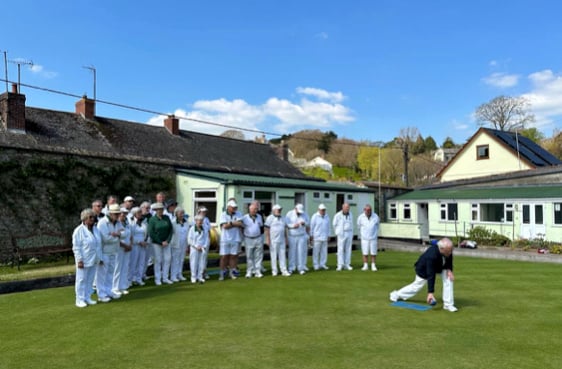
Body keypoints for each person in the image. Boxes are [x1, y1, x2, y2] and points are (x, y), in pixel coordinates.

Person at [389, 238, 458, 312]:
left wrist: (449, 270)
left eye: (451, 250)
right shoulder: (431, 255)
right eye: (449, 250)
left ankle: (448, 305)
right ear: (442, 248)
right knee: (416, 287)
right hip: (424, 269)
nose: (450, 252)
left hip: (439, 266)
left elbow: (449, 258)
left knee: (449, 279)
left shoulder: (447, 250)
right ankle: (396, 295)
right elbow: (431, 275)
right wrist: (430, 293)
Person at [72, 208, 103, 308]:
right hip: (83, 260)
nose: (92, 219)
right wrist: (79, 260)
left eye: (93, 217)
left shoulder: (96, 229)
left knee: (90, 279)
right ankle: (79, 299)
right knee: (81, 280)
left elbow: (99, 245)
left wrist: (100, 257)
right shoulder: (78, 231)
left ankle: (87, 297)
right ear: (84, 219)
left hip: (94, 258)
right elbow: (76, 247)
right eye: (90, 217)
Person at [96, 203, 125, 302]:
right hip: (104, 252)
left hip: (114, 251)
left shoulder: (118, 222)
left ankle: (109, 291)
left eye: (118, 214)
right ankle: (101, 295)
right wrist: (118, 236)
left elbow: (125, 234)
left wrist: (116, 234)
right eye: (116, 214)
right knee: (102, 274)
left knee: (110, 273)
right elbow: (106, 238)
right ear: (110, 213)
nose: (117, 216)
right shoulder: (102, 223)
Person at [148, 202, 174, 285]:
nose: (160, 211)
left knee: (167, 259)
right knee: (158, 260)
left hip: (167, 242)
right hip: (157, 243)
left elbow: (171, 230)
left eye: (162, 209)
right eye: (159, 209)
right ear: (156, 210)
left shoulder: (166, 217)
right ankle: (158, 279)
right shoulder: (152, 219)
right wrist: (160, 241)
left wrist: (168, 240)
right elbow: (151, 233)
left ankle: (165, 277)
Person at [218, 200, 243, 280]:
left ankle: (231, 273)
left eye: (235, 207)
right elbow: (224, 226)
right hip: (225, 239)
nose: (235, 208)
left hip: (235, 238)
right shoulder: (223, 214)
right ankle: (222, 274)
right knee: (224, 256)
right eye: (233, 207)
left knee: (233, 256)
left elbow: (240, 223)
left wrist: (230, 223)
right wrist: (233, 223)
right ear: (228, 207)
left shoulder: (239, 213)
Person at [264, 204, 290, 277]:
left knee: (282, 255)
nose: (280, 211)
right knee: (274, 256)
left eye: (280, 210)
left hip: (281, 239)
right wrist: (267, 239)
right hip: (273, 240)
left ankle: (284, 270)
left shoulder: (283, 218)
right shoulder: (270, 218)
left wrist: (286, 239)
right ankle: (274, 271)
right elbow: (266, 229)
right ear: (274, 210)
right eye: (278, 209)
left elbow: (284, 229)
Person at [286, 203, 310, 275]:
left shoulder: (304, 214)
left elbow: (308, 223)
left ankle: (301, 268)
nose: (299, 213)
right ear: (295, 208)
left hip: (301, 235)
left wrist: (304, 223)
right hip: (292, 236)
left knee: (301, 252)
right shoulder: (289, 214)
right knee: (292, 252)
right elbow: (287, 224)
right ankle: (291, 268)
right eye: (298, 211)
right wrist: (293, 226)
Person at [242, 202, 264, 278]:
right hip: (248, 238)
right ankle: (249, 271)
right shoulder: (244, 218)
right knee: (249, 256)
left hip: (258, 238)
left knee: (258, 255)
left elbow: (261, 226)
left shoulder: (259, 217)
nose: (255, 211)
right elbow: (242, 228)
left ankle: (258, 271)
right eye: (254, 209)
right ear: (250, 209)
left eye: (256, 209)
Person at [114, 207, 133, 296]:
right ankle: (115, 287)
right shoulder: (116, 224)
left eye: (125, 213)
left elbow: (130, 235)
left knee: (125, 267)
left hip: (127, 248)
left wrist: (130, 245)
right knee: (117, 268)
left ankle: (123, 286)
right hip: (119, 248)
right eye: (121, 213)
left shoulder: (127, 223)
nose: (123, 215)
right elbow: (116, 238)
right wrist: (125, 246)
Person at [356, 204, 380, 271]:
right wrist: (362, 235)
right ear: (364, 210)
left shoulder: (375, 216)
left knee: (373, 252)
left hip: (373, 237)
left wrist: (375, 234)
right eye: (367, 210)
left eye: (369, 210)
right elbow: (358, 226)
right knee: (365, 252)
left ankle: (373, 265)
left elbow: (378, 226)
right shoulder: (360, 217)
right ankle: (365, 265)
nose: (368, 211)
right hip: (364, 238)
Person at [128, 206, 148, 286]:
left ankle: (138, 278)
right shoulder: (131, 223)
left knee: (141, 262)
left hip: (143, 244)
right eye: (138, 212)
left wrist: (145, 242)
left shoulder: (143, 223)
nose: (140, 214)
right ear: (134, 214)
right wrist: (138, 242)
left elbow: (146, 234)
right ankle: (130, 280)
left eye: (140, 212)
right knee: (133, 262)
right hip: (135, 245)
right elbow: (130, 235)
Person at [170, 206, 189, 282]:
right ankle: (173, 276)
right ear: (176, 214)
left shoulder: (186, 222)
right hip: (176, 243)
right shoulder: (173, 222)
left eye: (183, 213)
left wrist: (187, 244)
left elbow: (187, 233)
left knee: (181, 259)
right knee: (175, 260)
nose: (182, 214)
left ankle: (179, 274)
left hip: (183, 243)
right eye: (180, 213)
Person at [188, 215, 209, 284]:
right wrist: (196, 246)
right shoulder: (192, 229)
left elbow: (206, 238)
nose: (200, 222)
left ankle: (200, 277)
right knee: (194, 263)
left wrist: (204, 246)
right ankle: (193, 277)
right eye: (199, 220)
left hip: (202, 248)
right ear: (195, 221)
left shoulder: (204, 228)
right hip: (194, 249)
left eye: (201, 220)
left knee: (202, 263)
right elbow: (189, 240)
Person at [333, 203, 354, 271]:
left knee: (348, 249)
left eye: (348, 207)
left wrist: (352, 232)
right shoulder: (338, 215)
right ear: (343, 208)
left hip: (349, 232)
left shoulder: (350, 214)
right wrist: (337, 232)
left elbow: (352, 223)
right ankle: (340, 265)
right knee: (340, 249)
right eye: (346, 207)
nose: (347, 209)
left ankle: (347, 264)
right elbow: (334, 224)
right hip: (341, 233)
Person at [310, 203, 331, 271]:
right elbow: (312, 226)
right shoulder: (315, 216)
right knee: (316, 252)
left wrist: (329, 235)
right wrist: (311, 235)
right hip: (317, 237)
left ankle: (323, 264)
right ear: (319, 210)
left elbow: (328, 227)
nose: (323, 211)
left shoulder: (327, 216)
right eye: (322, 210)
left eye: (324, 210)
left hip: (324, 236)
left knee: (324, 252)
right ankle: (316, 265)